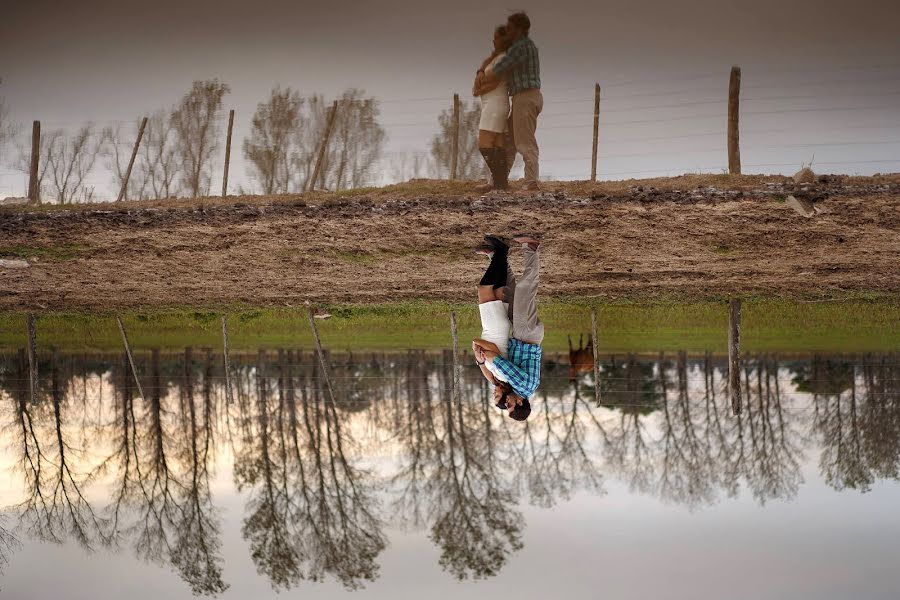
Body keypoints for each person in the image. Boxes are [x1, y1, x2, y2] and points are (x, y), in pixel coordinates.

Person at [473, 234, 544, 421]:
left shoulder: (516, 388)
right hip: (527, 335)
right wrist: (484, 356)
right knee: (525, 290)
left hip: (520, 336)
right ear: (520, 403)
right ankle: (531, 248)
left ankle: (496, 256)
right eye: (510, 406)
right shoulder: (525, 387)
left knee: (509, 292)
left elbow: (495, 377)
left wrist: (481, 363)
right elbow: (500, 362)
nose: (508, 403)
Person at [477, 12, 542, 191]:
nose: (508, 31)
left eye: (510, 28)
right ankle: (499, 180)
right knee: (511, 141)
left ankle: (531, 182)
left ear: (519, 29)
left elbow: (500, 67)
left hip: (525, 96)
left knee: (524, 141)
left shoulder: (521, 47)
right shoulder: (523, 46)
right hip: (523, 97)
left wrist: (482, 73)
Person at [472, 26, 512, 192]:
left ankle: (499, 181)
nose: (493, 41)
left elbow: (493, 80)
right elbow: (483, 78)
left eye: (496, 38)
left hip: (495, 104)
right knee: (498, 143)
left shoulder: (504, 59)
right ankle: (501, 184)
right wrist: (480, 72)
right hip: (494, 103)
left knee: (484, 143)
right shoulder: (495, 58)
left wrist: (478, 87)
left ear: (503, 40)